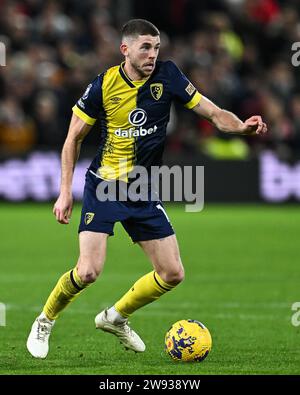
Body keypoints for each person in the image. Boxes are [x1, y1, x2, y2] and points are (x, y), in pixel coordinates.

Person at [26, 19, 267, 359]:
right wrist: (65, 191)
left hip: (142, 189)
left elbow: (212, 113)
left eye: (156, 47)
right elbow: (72, 139)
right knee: (88, 271)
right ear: (125, 49)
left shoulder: (168, 76)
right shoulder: (103, 85)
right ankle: (45, 319)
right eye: (145, 47)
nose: (152, 54)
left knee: (172, 273)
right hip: (106, 186)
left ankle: (115, 317)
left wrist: (242, 127)